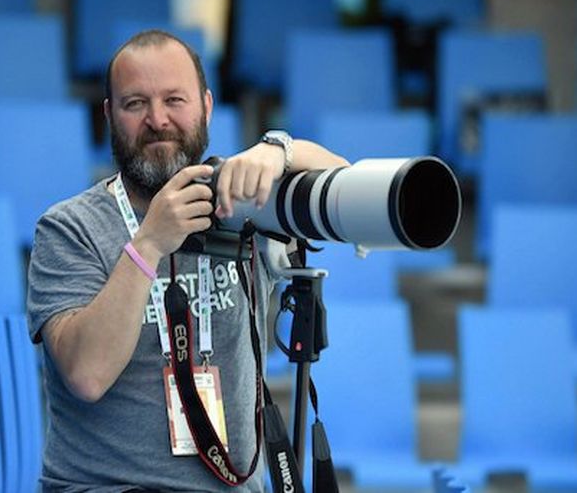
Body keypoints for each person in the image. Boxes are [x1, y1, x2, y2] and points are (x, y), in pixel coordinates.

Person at [27, 29, 348, 492]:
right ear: (109, 116)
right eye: (135, 104)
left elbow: (347, 191)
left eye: (174, 100)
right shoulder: (68, 228)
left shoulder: (243, 205)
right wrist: (148, 245)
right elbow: (86, 374)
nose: (158, 120)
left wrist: (280, 151)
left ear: (207, 106)